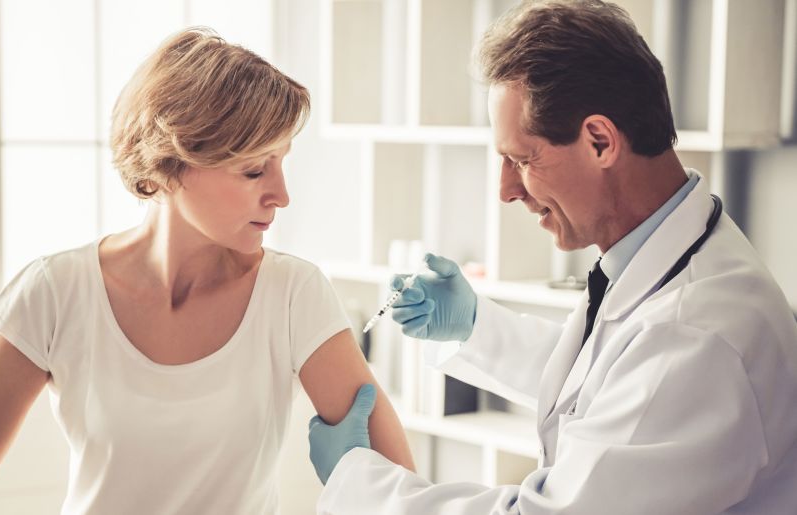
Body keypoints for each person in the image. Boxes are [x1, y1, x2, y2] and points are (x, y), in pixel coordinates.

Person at [307, 1, 797, 513]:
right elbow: (608, 378)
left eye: (522, 159)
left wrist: (356, 482)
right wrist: (473, 327)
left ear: (601, 141)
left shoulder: (694, 337)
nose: (505, 189)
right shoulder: (673, 258)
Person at [0, 28, 414, 514]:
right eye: (254, 170)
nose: (281, 195)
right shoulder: (55, 292)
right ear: (172, 162)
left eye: (282, 164)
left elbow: (396, 489)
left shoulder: (292, 294)